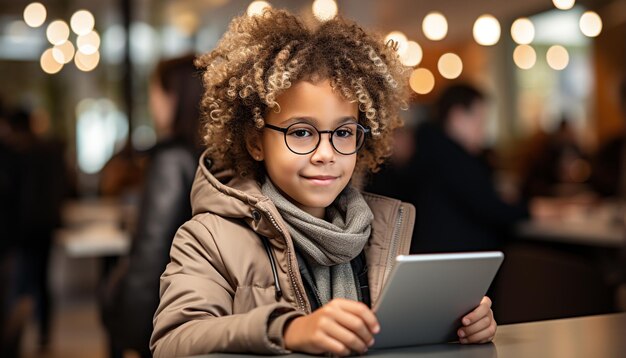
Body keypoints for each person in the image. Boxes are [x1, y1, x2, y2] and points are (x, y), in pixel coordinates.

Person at [150, 9, 497, 357]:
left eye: (343, 132)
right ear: (255, 141)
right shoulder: (208, 238)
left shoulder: (381, 230)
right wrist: (286, 331)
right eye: (301, 132)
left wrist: (457, 326)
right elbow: (172, 342)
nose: (326, 153)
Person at [100, 54, 204, 357]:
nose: (152, 102)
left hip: (164, 313)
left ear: (174, 95)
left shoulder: (171, 160)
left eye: (154, 92)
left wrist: (130, 328)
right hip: (200, 307)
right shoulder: (211, 155)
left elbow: (151, 251)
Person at [410, 84, 528, 254]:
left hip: (445, 259)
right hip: (457, 263)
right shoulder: (449, 157)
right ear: (457, 117)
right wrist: (532, 210)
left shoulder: (431, 149)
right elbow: (490, 208)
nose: (483, 132)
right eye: (480, 122)